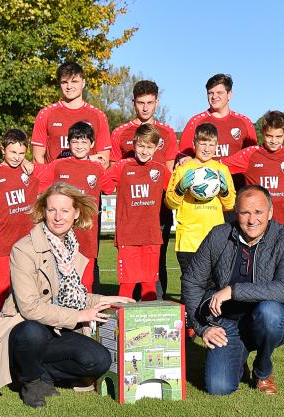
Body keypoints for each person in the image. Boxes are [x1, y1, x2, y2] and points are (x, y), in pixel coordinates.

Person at [0, 182, 133, 408]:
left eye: (65, 210)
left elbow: (70, 295)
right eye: (52, 210)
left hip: (57, 328)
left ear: (76, 213)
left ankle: (41, 373)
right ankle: (31, 379)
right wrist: (78, 316)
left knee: (99, 361)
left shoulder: (70, 246)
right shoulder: (24, 249)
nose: (58, 217)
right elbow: (29, 307)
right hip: (24, 327)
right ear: (43, 212)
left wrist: (103, 300)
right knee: (33, 331)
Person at [182, 185, 284, 395]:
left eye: (258, 212)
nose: (252, 219)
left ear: (270, 213)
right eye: (245, 212)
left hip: (265, 319)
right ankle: (239, 357)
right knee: (219, 387)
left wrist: (233, 290)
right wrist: (202, 328)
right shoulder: (219, 235)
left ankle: (263, 370)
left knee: (270, 314)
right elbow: (192, 281)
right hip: (226, 321)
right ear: (236, 213)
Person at [109, 80, 179, 296]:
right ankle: (128, 317)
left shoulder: (167, 133)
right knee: (130, 274)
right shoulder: (121, 133)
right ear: (134, 103)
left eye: (150, 102)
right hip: (131, 218)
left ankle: (154, 312)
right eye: (141, 103)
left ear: (157, 102)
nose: (145, 107)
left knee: (157, 265)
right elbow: (114, 171)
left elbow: (169, 175)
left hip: (157, 215)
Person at [100, 123, 171, 300]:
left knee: (149, 285)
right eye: (141, 145)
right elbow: (105, 185)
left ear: (156, 148)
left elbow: (175, 191)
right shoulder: (122, 167)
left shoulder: (160, 170)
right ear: (134, 143)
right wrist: (97, 166)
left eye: (149, 147)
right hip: (128, 235)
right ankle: (123, 326)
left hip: (151, 236)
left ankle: (150, 324)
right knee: (127, 285)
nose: (144, 151)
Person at [38, 121, 105, 292]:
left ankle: (88, 318)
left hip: (88, 234)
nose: (79, 146)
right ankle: (63, 318)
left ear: (92, 144)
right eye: (75, 141)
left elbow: (111, 186)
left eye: (84, 142)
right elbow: (41, 190)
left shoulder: (98, 168)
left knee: (87, 280)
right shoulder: (58, 165)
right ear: (69, 143)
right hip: (61, 234)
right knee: (61, 280)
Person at [0, 129, 39, 316]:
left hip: (28, 244)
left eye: (22, 153)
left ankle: (25, 331)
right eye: (13, 152)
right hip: (3, 242)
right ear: (2, 150)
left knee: (29, 289)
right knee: (2, 290)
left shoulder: (31, 171)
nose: (17, 157)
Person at [164, 123, 236, 281]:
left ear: (217, 146)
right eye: (203, 143)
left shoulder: (221, 170)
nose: (207, 148)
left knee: (214, 289)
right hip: (189, 241)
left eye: (211, 144)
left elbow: (230, 205)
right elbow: (170, 203)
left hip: (215, 241)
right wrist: (180, 189)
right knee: (192, 289)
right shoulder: (183, 168)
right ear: (194, 143)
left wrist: (224, 192)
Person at [31, 61, 112, 166]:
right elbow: (37, 159)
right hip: (55, 181)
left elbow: (103, 160)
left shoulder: (98, 116)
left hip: (86, 179)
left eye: (74, 81)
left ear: (83, 83)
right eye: (64, 82)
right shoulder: (45, 114)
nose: (69, 86)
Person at [178, 73, 257, 162]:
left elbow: (253, 157)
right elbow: (183, 156)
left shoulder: (244, 122)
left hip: (235, 176)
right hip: (205, 175)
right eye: (210, 93)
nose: (214, 97)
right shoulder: (195, 122)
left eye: (219, 93)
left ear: (229, 94)